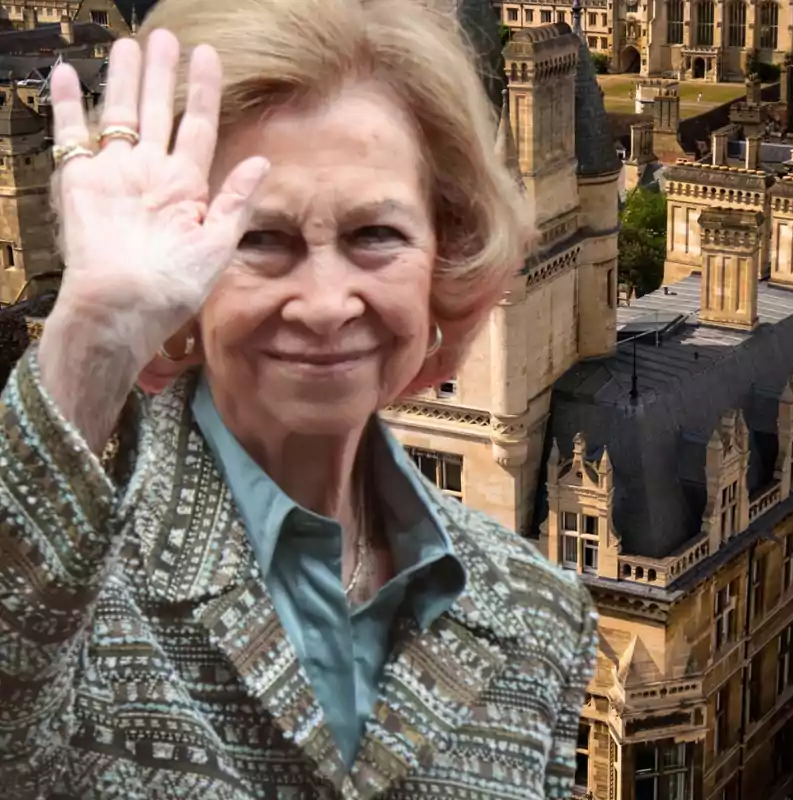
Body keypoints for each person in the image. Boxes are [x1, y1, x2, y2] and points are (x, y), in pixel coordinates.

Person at [0, 0, 598, 797]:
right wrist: (94, 334)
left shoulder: (542, 615)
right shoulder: (64, 584)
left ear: (443, 260)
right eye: (258, 238)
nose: (324, 302)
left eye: (375, 234)